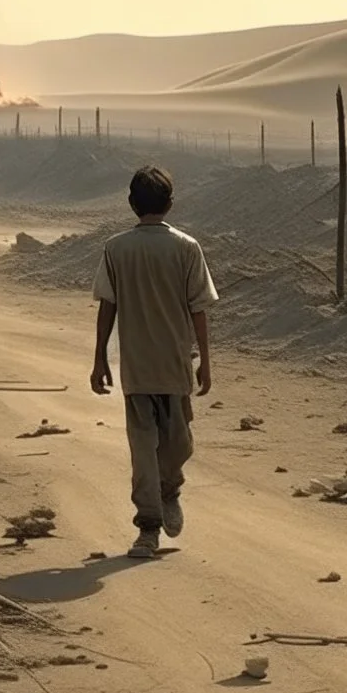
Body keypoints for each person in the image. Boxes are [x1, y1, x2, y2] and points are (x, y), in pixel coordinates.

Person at [90, 165, 218, 559]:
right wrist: (99, 359)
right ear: (170, 203)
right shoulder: (119, 249)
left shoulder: (183, 248)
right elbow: (111, 304)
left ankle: (168, 490)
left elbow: (194, 307)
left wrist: (204, 361)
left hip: (170, 365)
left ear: (131, 204)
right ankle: (148, 527)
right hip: (143, 369)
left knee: (175, 444)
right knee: (147, 447)